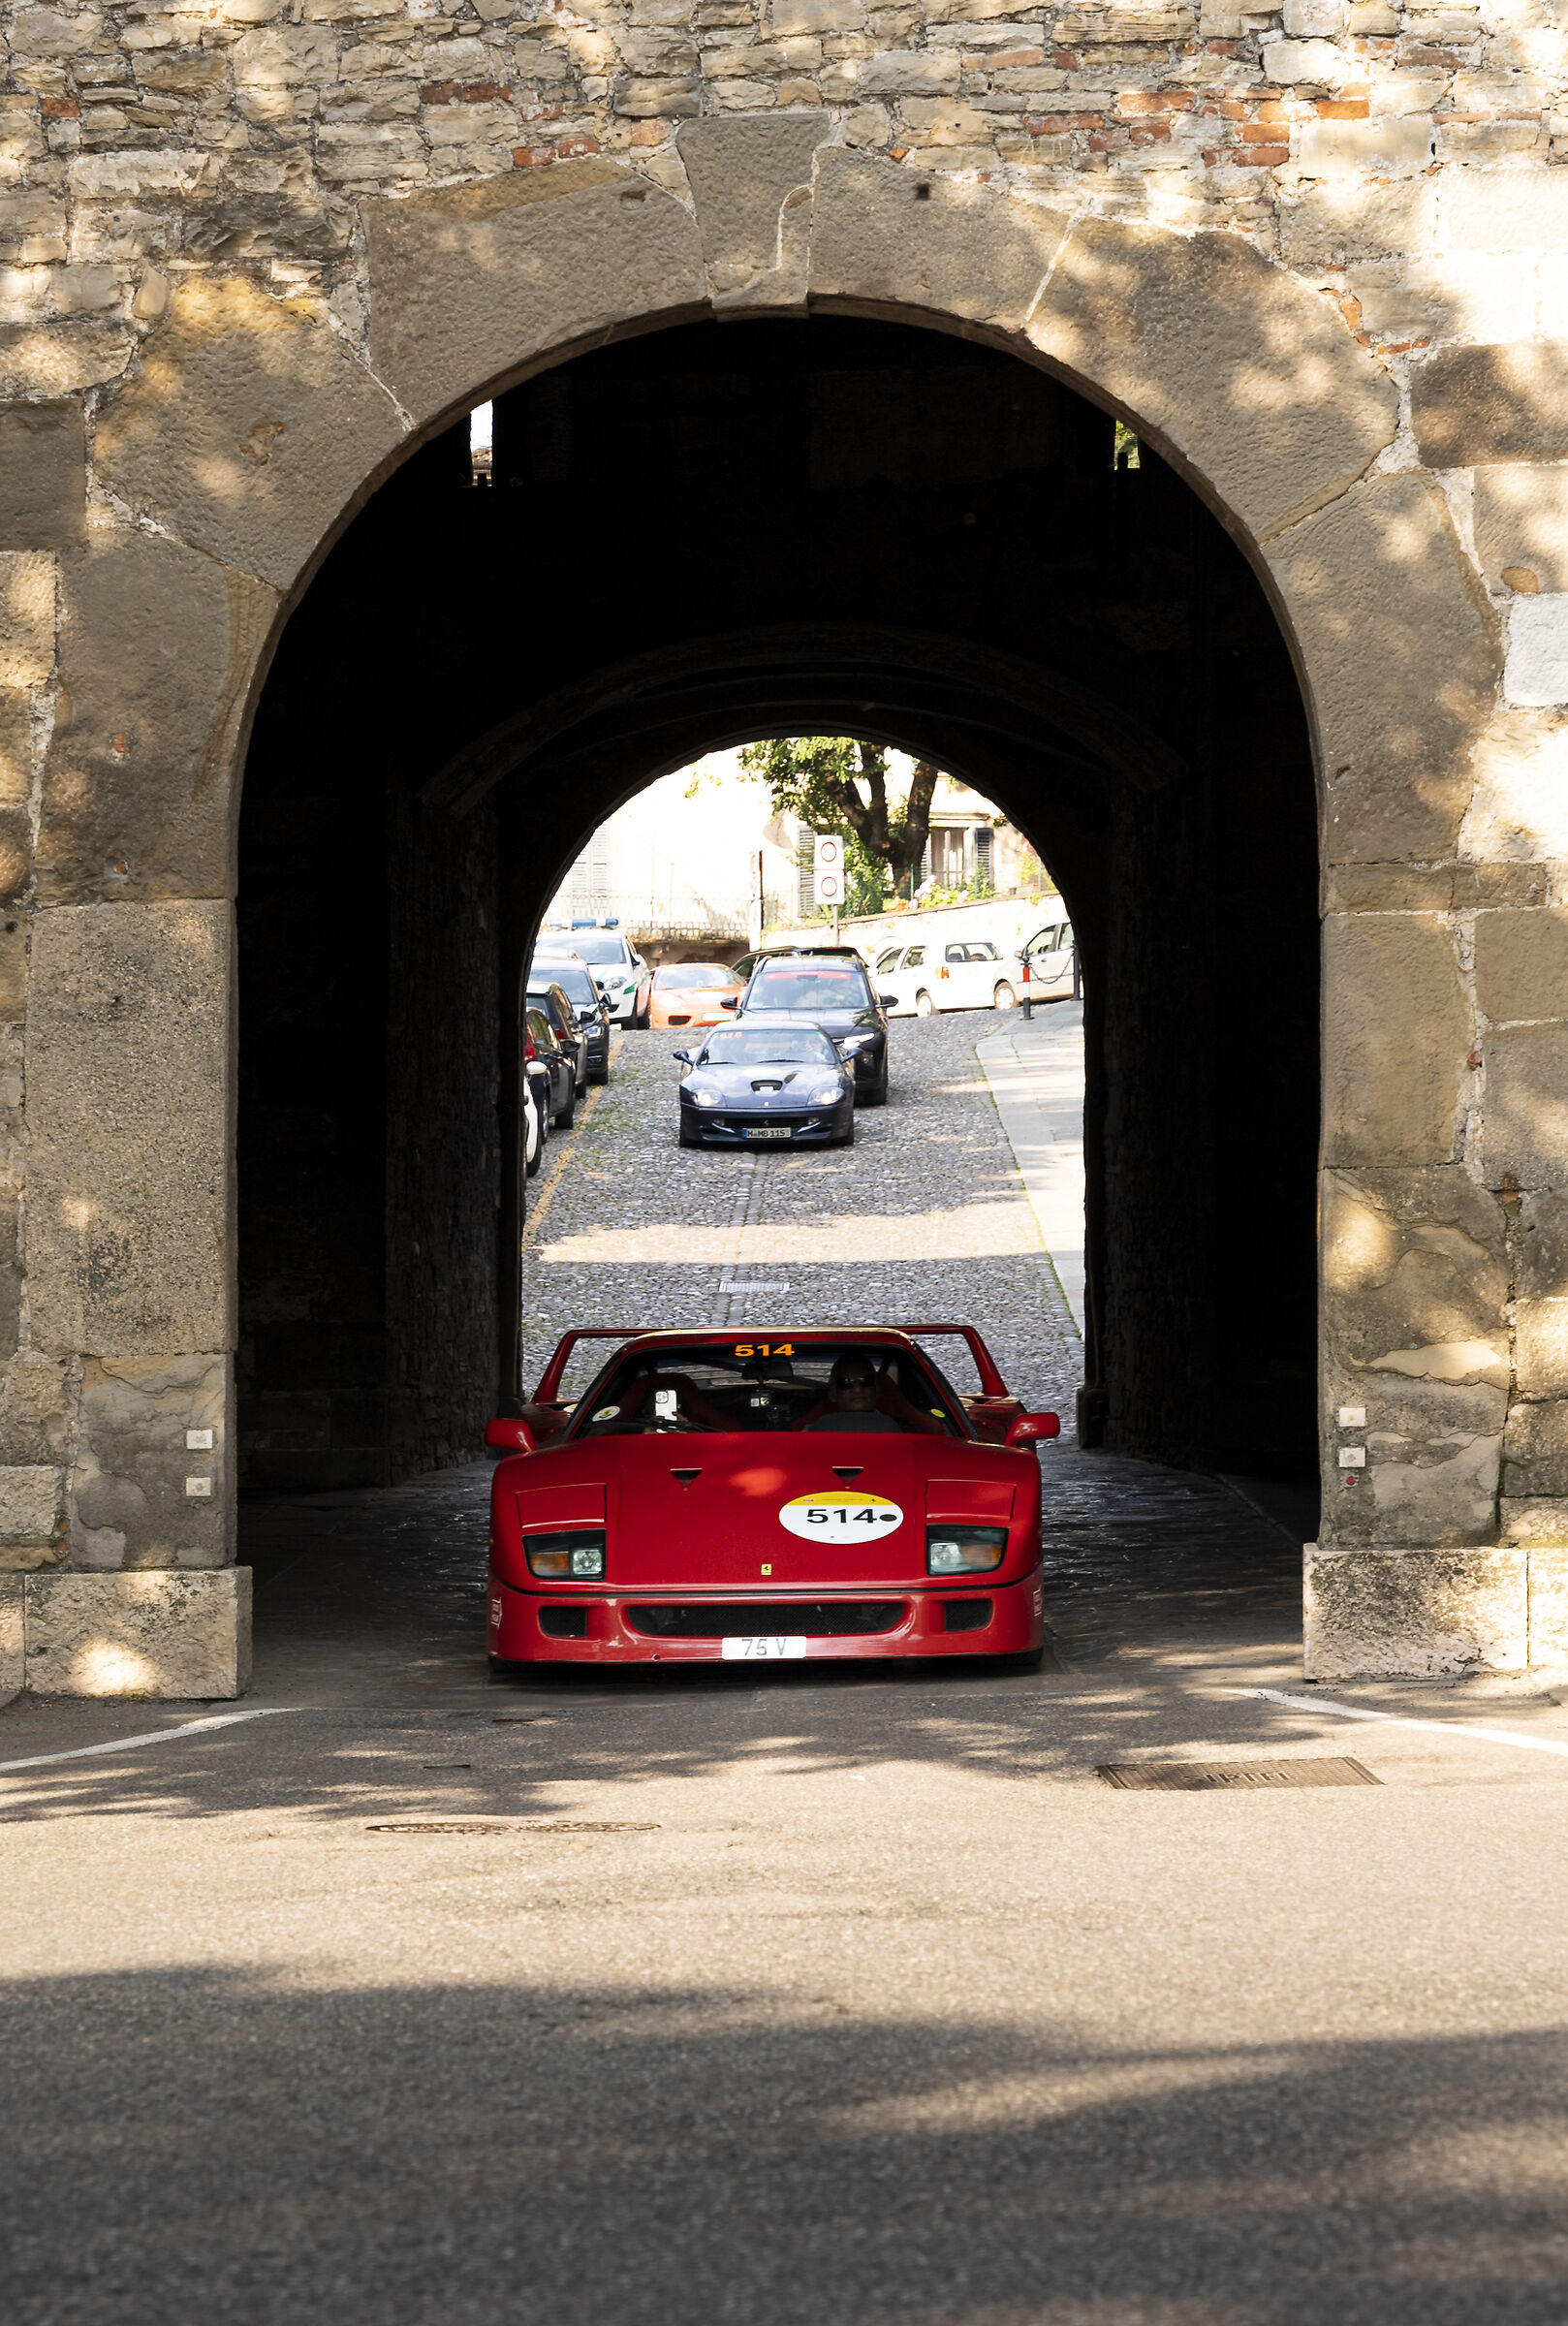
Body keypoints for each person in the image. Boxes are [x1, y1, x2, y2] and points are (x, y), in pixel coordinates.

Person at [802, 1356, 903, 1433]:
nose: (857, 1389)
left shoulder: (890, 1428)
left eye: (865, 1381)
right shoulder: (818, 1430)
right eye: (847, 1382)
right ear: (833, 1394)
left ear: (877, 1389)